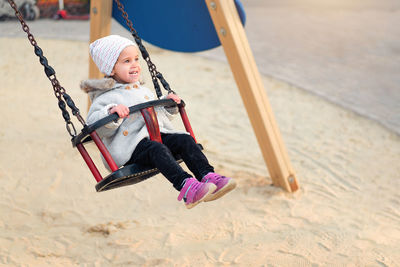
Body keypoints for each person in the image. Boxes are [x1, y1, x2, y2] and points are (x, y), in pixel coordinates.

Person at [81, 35, 236, 209]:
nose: (135, 65)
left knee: (184, 139)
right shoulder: (105, 97)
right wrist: (111, 112)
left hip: (155, 137)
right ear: (110, 69)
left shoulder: (143, 90)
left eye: (136, 59)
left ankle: (207, 176)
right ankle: (187, 187)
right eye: (126, 61)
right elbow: (94, 123)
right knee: (157, 149)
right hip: (131, 149)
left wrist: (168, 104)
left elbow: (157, 117)